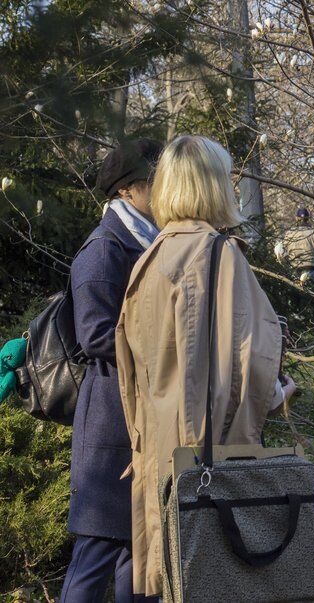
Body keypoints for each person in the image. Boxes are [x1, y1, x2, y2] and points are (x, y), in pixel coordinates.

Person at [114, 135, 296, 598]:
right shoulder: (217, 255)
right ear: (213, 186)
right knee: (217, 578)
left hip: (159, 452)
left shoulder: (149, 259)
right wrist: (276, 395)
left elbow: (130, 368)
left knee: (177, 580)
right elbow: (249, 363)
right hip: (209, 449)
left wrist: (139, 442)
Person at [60, 139, 162, 603]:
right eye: (153, 181)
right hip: (108, 426)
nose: (162, 189)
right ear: (128, 190)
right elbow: (95, 336)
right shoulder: (103, 249)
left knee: (138, 567)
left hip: (136, 420)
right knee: (95, 557)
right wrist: (171, 348)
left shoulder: (144, 241)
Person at [283, 207, 314, 283]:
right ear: (308, 219)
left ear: (296, 218)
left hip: (293, 269)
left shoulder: (289, 234)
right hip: (311, 269)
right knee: (310, 293)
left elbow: (283, 252)